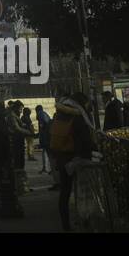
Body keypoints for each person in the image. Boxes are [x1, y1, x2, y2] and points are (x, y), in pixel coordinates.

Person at [48, 93, 96, 231]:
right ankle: (86, 221)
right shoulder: (78, 117)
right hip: (78, 159)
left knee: (65, 191)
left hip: (63, 159)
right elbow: (85, 141)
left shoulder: (60, 115)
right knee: (84, 191)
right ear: (82, 103)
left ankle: (66, 225)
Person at [35, 104, 53, 174]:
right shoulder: (45, 113)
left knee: (47, 152)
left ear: (37, 110)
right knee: (46, 152)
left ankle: (47, 168)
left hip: (45, 136)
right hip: (48, 135)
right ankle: (47, 168)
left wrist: (40, 135)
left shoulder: (40, 114)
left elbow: (42, 126)